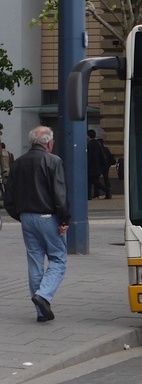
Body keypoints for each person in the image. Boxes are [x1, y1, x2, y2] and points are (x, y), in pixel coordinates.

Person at [3, 125, 70, 322]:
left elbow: (9, 197)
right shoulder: (53, 161)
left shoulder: (19, 163)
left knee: (34, 262)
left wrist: (20, 215)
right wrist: (64, 219)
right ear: (48, 143)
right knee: (58, 259)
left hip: (26, 217)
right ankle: (44, 295)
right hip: (47, 217)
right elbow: (60, 194)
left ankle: (41, 312)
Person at [87, 129, 112, 199]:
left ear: (88, 136)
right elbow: (101, 155)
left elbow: (89, 156)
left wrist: (87, 165)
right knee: (93, 181)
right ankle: (91, 195)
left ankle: (106, 189)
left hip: (92, 167)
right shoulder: (98, 143)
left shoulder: (89, 144)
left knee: (93, 181)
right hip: (98, 167)